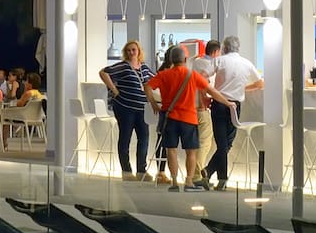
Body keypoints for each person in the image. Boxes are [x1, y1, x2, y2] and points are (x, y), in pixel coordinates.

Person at [148, 44, 236, 192]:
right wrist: (227, 102)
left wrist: (153, 104)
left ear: (170, 59)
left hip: (170, 117)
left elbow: (147, 86)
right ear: (185, 59)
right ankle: (189, 182)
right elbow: (211, 91)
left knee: (171, 150)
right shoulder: (192, 75)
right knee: (191, 151)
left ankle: (174, 182)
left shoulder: (163, 75)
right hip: (188, 118)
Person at [206, 35, 265, 192]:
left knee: (222, 144)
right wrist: (243, 88)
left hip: (218, 104)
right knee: (227, 144)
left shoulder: (219, 61)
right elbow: (260, 83)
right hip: (235, 106)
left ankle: (212, 173)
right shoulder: (247, 63)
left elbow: (203, 76)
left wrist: (209, 91)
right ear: (238, 47)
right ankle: (218, 177)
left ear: (224, 48)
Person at [101, 41, 155, 181]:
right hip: (125, 108)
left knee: (144, 138)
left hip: (142, 108)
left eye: (134, 50)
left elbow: (155, 79)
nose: (131, 52)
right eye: (129, 50)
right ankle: (126, 171)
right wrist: (115, 90)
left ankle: (141, 170)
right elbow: (103, 72)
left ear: (138, 51)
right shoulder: (123, 66)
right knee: (125, 138)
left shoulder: (143, 67)